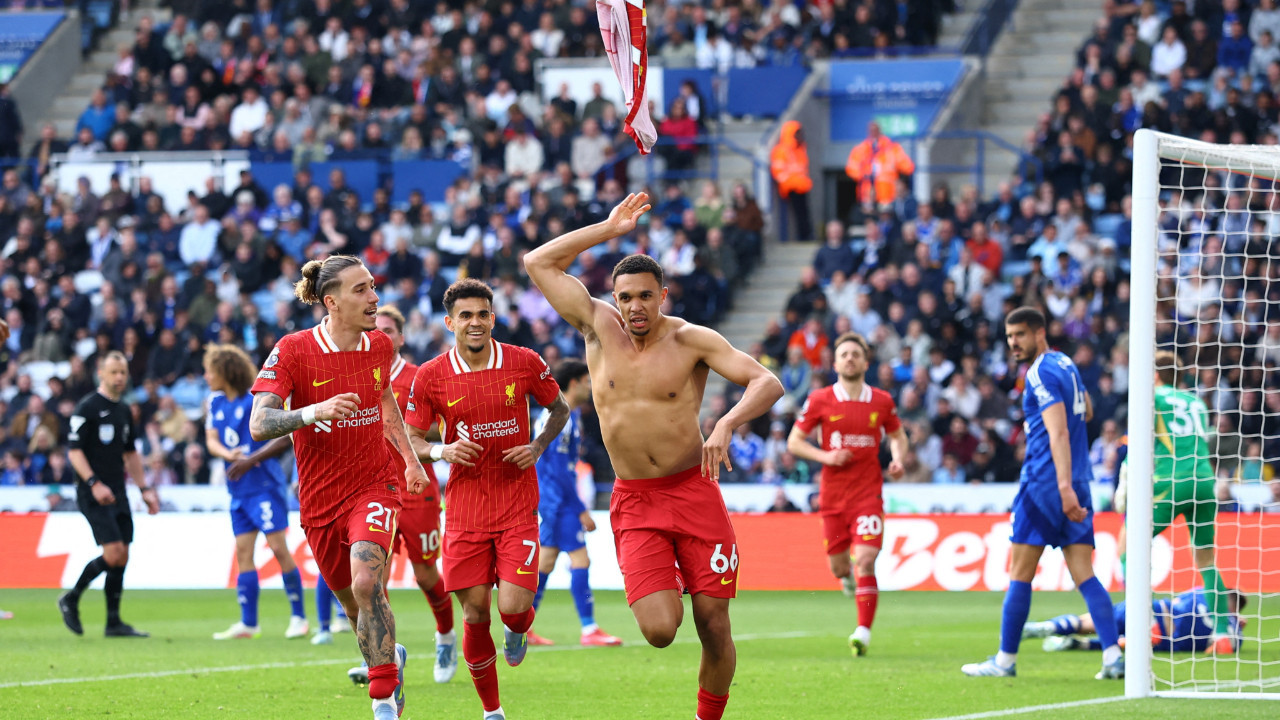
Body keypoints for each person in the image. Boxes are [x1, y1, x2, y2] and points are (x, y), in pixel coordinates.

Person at [525, 193, 784, 720]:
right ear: (613, 298)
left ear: (663, 295)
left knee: (714, 624)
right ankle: (670, 581)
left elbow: (767, 382)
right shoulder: (596, 326)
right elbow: (537, 262)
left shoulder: (692, 340)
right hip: (636, 502)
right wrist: (608, 228)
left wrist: (726, 423)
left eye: (646, 295)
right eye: (625, 297)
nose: (635, 306)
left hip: (693, 493)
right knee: (660, 630)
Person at [249, 255, 429, 720]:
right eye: (360, 290)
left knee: (367, 582)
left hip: (375, 484)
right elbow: (260, 423)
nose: (374, 298)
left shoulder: (379, 346)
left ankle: (384, 698)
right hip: (319, 500)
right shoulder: (293, 350)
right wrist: (314, 411)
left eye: (373, 287)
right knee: (354, 605)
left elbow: (385, 401)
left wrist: (411, 461)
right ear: (331, 302)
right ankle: (390, 656)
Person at [403, 278, 569, 720]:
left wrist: (536, 446)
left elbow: (560, 409)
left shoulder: (524, 361)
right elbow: (412, 438)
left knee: (513, 609)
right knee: (475, 613)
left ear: (493, 318)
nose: (475, 322)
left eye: (482, 314)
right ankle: (492, 711)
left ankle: (518, 629)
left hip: (516, 504)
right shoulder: (431, 375)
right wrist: (442, 451)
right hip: (464, 510)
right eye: (465, 316)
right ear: (450, 323)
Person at [961, 307, 1123, 680]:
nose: (1013, 343)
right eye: (1009, 336)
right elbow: (1087, 410)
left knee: (1020, 573)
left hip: (1045, 484)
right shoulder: (1066, 363)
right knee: (1085, 575)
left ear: (1039, 332)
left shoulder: (1038, 373)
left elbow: (1059, 432)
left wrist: (1062, 487)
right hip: (1079, 480)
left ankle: (1004, 661)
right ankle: (1113, 656)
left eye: (1019, 334)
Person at [786, 332, 909, 657]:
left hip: (868, 495)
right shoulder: (820, 399)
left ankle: (863, 631)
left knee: (866, 560)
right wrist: (826, 457)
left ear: (866, 362)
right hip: (833, 497)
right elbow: (794, 442)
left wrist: (898, 459)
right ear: (836, 363)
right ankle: (846, 578)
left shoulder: (882, 400)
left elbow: (898, 436)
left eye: (856, 354)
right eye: (844, 354)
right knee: (840, 568)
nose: (850, 358)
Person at [1114, 350, 1236, 653]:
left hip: (1170, 481)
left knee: (1129, 546)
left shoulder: (1151, 397)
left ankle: (1147, 627)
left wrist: (1125, 482)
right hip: (1204, 480)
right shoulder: (1197, 403)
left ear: (1154, 374)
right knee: (1206, 560)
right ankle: (1222, 635)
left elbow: (1141, 443)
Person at [372, 306, 457, 682]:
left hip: (416, 488)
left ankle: (446, 635)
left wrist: (409, 429)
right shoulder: (358, 377)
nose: (381, 336)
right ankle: (384, 655)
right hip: (375, 490)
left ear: (401, 337)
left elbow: (442, 429)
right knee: (374, 578)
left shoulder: (418, 377)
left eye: (389, 330)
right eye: (375, 330)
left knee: (425, 574)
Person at [202, 343, 309, 641]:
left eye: (210, 371)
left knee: (278, 548)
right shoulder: (214, 402)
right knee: (243, 552)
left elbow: (287, 435)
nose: (207, 376)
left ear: (225, 371)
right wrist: (229, 455)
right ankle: (249, 623)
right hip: (238, 490)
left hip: (264, 486)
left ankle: (299, 617)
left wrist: (250, 459)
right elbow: (211, 440)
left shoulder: (256, 399)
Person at [57, 352, 161, 638]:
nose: (119, 378)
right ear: (100, 373)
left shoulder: (124, 410)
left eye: (123, 373)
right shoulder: (87, 408)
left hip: (118, 490)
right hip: (93, 492)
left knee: (123, 554)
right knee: (113, 552)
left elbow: (131, 453)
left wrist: (145, 489)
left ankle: (113, 623)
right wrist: (93, 483)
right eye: (114, 372)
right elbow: (74, 452)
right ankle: (71, 598)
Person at [526, 359, 623, 648]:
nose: (590, 387)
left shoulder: (562, 415)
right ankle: (589, 628)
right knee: (581, 559)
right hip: (559, 501)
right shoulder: (561, 417)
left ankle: (521, 627)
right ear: (574, 383)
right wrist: (580, 509)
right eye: (587, 381)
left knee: (546, 560)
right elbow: (558, 469)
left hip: (550, 499)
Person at [1023, 589, 1246, 654]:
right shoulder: (1233, 629)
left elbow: (1178, 600)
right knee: (1126, 643)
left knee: (1095, 622)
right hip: (1167, 640)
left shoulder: (1205, 593)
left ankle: (1052, 626)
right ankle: (1080, 644)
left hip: (1155, 610)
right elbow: (1219, 649)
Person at [844, 121, 915, 215]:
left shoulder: (892, 148)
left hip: (887, 196)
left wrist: (893, 171)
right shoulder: (860, 149)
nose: (873, 132)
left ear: (880, 131)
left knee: (886, 220)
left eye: (875, 130)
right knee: (867, 219)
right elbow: (850, 169)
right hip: (867, 196)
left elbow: (908, 167)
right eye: (871, 130)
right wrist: (865, 175)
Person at [770, 120, 814, 242]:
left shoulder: (801, 149)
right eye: (797, 133)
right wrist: (788, 183)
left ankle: (806, 235)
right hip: (791, 188)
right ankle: (802, 237)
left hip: (802, 187)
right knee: (798, 214)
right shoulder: (781, 150)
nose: (800, 136)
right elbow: (778, 171)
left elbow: (803, 169)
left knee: (804, 213)